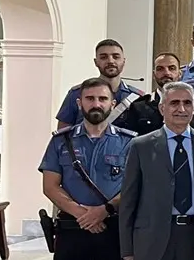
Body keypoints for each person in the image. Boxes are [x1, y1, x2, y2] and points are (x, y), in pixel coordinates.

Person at [118, 82, 194, 260]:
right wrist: (127, 251)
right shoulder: (141, 146)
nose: (181, 109)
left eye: (187, 103)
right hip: (152, 240)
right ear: (162, 108)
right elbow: (129, 201)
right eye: (174, 103)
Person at [39, 78, 135, 260]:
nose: (96, 104)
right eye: (90, 98)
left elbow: (134, 186)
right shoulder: (61, 141)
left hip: (113, 230)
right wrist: (82, 215)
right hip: (72, 229)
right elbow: (50, 186)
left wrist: (103, 211)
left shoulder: (129, 142)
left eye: (102, 99)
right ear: (79, 103)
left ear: (112, 104)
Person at [55, 39, 144, 129]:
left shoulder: (137, 97)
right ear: (96, 62)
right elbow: (63, 134)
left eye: (116, 57)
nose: (110, 61)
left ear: (123, 61)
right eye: (104, 57)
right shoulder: (77, 93)